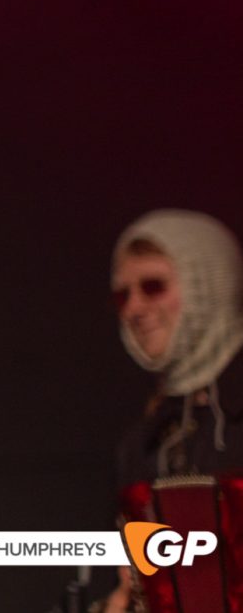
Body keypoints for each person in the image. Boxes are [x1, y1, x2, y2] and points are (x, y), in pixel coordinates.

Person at [96, 209, 243, 613]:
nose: (134, 309)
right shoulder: (140, 443)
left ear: (209, 286)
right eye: (122, 295)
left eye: (153, 286)